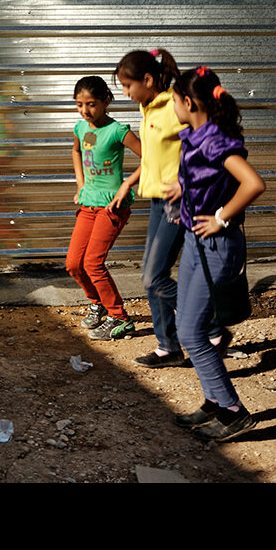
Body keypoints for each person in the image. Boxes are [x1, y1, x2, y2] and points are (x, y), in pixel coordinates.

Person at [169, 65, 266, 442]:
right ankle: (213, 401)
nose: (173, 107)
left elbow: (253, 183)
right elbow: (208, 178)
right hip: (196, 240)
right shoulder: (195, 135)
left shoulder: (214, 140)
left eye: (175, 101)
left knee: (192, 333)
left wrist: (221, 217)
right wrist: (184, 192)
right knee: (186, 326)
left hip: (216, 244)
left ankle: (233, 411)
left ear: (189, 102)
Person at [114, 49, 191, 368]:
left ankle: (209, 326)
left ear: (147, 80)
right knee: (150, 275)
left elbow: (202, 147)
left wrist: (187, 185)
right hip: (158, 200)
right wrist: (130, 181)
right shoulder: (149, 108)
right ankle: (168, 346)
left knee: (154, 276)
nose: (125, 94)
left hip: (178, 202)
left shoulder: (175, 105)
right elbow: (154, 158)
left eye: (128, 86)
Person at [66, 76, 142, 341]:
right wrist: (81, 184)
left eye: (91, 104)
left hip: (112, 206)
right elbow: (77, 152)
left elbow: (153, 157)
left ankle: (120, 318)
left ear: (106, 101)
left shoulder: (118, 131)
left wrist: (128, 184)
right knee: (74, 264)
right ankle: (97, 303)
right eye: (79, 104)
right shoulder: (82, 128)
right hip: (88, 204)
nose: (85, 111)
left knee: (93, 263)